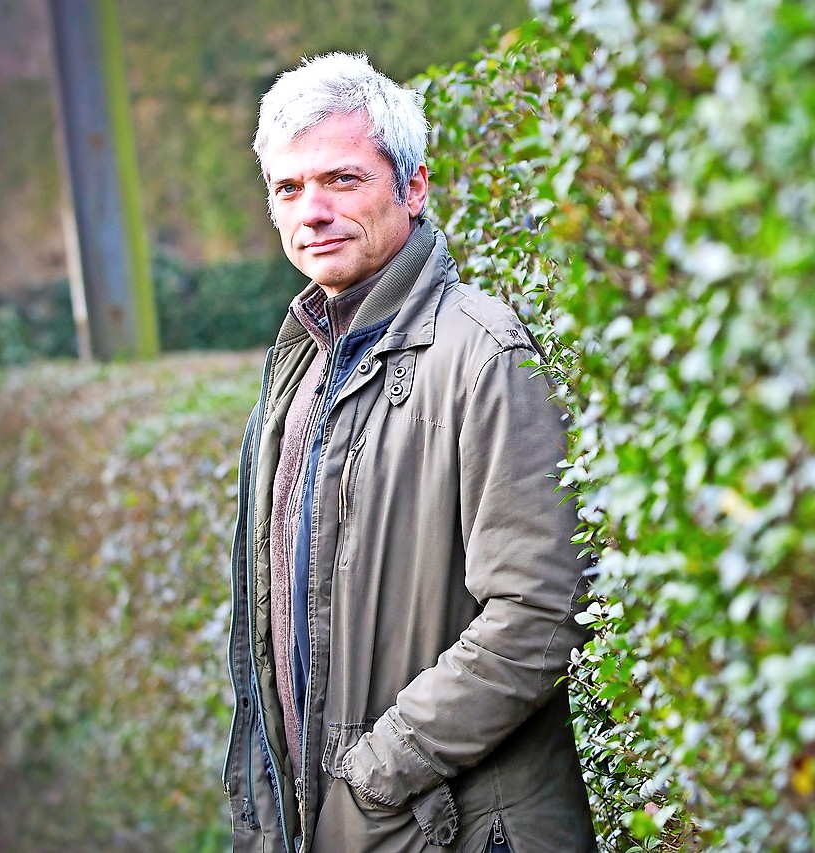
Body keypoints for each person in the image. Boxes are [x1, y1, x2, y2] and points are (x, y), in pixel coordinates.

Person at [223, 52, 596, 853]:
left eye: (342, 180)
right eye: (288, 189)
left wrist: (375, 775)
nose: (311, 211)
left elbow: (538, 611)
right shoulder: (305, 359)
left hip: (453, 826)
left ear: (414, 186)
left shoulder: (482, 349)